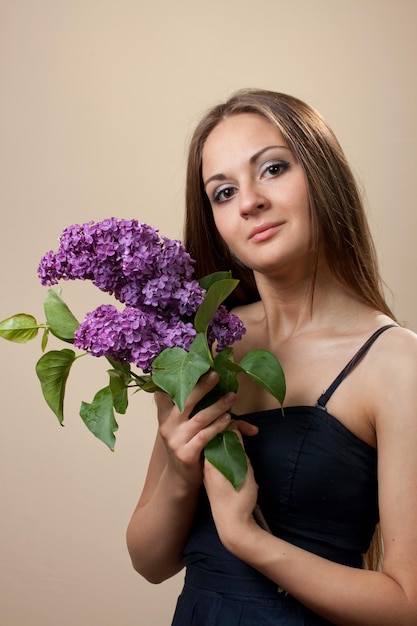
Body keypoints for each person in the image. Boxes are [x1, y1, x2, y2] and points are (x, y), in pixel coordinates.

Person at [126, 89, 417, 625]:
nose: (249, 201)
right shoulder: (200, 347)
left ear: (324, 176)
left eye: (274, 169)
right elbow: (149, 560)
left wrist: (246, 538)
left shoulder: (397, 364)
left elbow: (407, 605)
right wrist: (180, 470)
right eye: (223, 191)